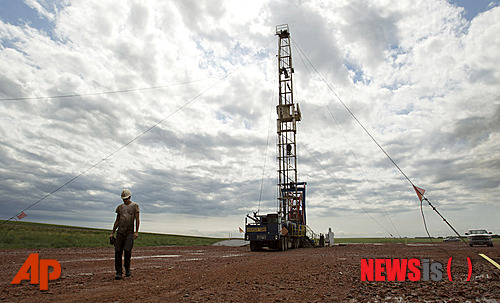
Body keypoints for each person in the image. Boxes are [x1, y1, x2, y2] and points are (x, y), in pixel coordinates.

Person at [110, 189, 140, 280]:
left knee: (127, 250)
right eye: (123, 199)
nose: (125, 200)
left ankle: (127, 268)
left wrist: (136, 232)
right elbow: (117, 220)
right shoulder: (120, 208)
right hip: (120, 232)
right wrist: (112, 233)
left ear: (130, 197)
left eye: (126, 198)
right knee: (118, 251)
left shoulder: (135, 206)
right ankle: (118, 272)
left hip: (129, 232)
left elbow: (137, 220)